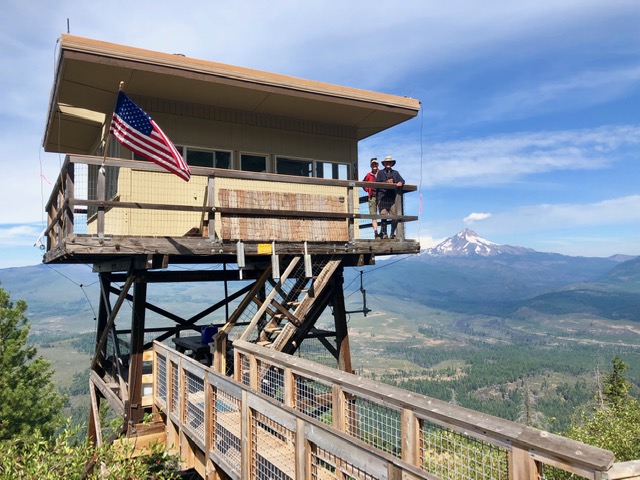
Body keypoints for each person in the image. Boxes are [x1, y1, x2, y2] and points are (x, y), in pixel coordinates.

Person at [376, 155, 405, 239]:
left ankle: (392, 233)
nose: (388, 164)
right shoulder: (380, 173)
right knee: (383, 215)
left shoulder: (395, 173)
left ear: (392, 164)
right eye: (386, 162)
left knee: (394, 215)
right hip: (383, 197)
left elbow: (402, 180)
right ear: (384, 164)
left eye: (390, 162)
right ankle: (384, 233)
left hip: (392, 198)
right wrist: (386, 182)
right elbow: (377, 184)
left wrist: (400, 183)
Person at [362, 158, 380, 239]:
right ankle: (376, 232)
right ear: (371, 166)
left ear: (378, 165)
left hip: (380, 196)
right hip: (372, 197)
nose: (374, 165)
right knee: (373, 215)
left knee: (383, 214)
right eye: (373, 164)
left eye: (376, 164)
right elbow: (363, 183)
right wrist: (367, 189)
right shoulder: (368, 175)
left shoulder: (381, 173)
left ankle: (383, 232)